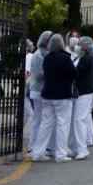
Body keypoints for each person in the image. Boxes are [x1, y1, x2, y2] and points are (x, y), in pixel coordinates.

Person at [29, 34, 75, 163]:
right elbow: (73, 74)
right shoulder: (65, 58)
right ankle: (61, 153)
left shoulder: (47, 58)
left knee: (46, 124)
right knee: (62, 124)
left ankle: (37, 152)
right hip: (62, 95)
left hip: (47, 94)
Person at [67, 35, 93, 160]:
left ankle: (82, 149)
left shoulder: (87, 59)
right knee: (76, 120)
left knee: (79, 120)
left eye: (80, 44)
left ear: (85, 46)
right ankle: (77, 148)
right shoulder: (81, 57)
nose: (77, 46)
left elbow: (76, 73)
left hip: (84, 93)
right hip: (81, 92)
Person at [28, 31, 53, 153]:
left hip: (41, 89)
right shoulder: (39, 55)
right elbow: (38, 75)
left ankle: (40, 145)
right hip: (38, 90)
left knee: (41, 119)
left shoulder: (45, 54)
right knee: (38, 119)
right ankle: (33, 146)